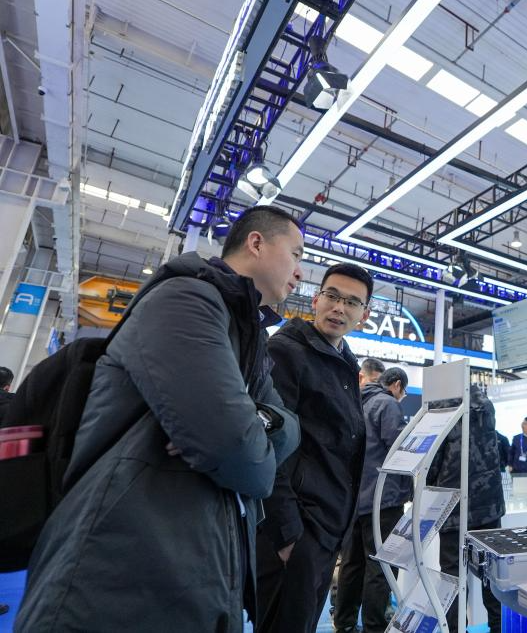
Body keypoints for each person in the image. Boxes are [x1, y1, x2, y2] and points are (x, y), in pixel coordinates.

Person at [15, 205, 303, 631]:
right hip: (115, 576)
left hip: (191, 570)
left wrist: (250, 422)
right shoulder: (186, 299)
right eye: (296, 254)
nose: (300, 272)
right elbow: (241, 454)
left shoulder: (250, 338)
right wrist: (242, 432)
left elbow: (288, 428)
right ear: (256, 243)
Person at [256, 262, 375, 633]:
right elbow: (267, 446)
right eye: (332, 296)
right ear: (316, 299)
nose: (339, 308)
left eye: (351, 302)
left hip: (327, 531)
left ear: (364, 314)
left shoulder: (344, 361)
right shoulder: (286, 352)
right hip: (298, 532)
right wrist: (287, 533)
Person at [335, 367, 411, 633]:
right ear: (397, 385)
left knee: (352, 565)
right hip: (383, 499)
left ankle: (344, 624)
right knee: (381, 567)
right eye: (403, 393)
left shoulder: (358, 400)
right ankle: (374, 627)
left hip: (355, 499)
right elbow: (400, 450)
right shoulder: (387, 404)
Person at [428, 384, 505, 633]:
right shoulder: (486, 405)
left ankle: (455, 629)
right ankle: (498, 628)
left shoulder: (442, 409)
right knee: (492, 573)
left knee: (453, 576)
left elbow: (432, 462)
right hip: (489, 503)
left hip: (453, 505)